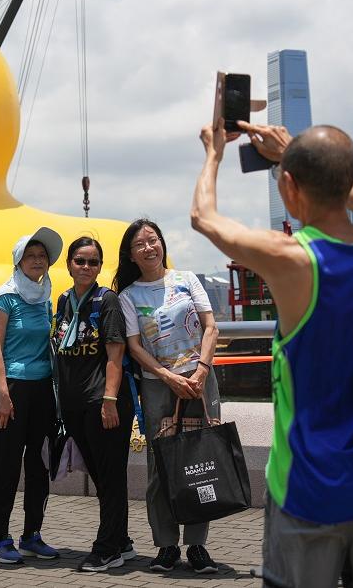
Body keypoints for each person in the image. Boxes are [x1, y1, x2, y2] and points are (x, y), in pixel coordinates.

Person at [191, 118, 353, 587]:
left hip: (309, 490)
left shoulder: (293, 260)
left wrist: (214, 151)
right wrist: (290, 154)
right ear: (347, 182)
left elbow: (204, 217)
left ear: (287, 186)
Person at [114, 219, 221, 574]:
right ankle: (165, 545)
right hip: (158, 385)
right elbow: (133, 346)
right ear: (130, 254)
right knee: (161, 466)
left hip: (200, 378)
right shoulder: (129, 296)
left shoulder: (186, 279)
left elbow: (210, 326)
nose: (149, 248)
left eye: (153, 240)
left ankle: (197, 545)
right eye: (140, 244)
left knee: (201, 461)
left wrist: (202, 369)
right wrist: (166, 376)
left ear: (162, 243)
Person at [52, 236, 135, 572]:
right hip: (75, 405)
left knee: (111, 474)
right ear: (70, 264)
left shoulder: (108, 301)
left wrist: (110, 400)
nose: (86, 267)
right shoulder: (64, 301)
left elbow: (116, 353)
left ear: (101, 267)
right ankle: (122, 540)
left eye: (93, 262)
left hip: (104, 401)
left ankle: (107, 548)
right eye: (80, 261)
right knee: (101, 475)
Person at [0, 226, 63, 565]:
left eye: (42, 256)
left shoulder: (46, 295)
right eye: (30, 256)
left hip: (42, 388)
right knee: (6, 465)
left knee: (38, 464)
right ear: (18, 261)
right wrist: (4, 396)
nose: (37, 261)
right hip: (12, 388)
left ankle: (32, 534)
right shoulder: (4, 296)